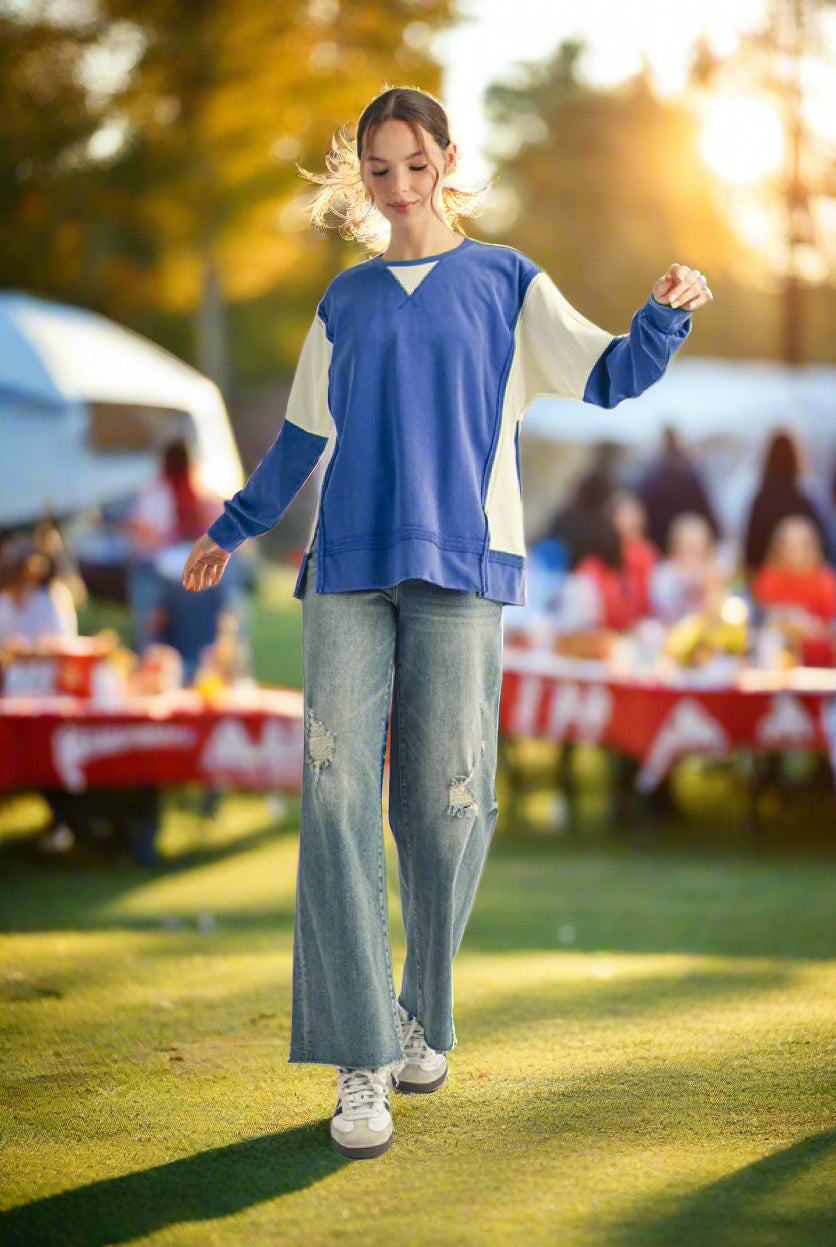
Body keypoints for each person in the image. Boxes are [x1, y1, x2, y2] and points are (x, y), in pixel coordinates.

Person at [181, 85, 714, 1160]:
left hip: (465, 570)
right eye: (377, 169)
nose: (397, 185)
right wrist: (233, 525)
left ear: (444, 159)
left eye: (412, 163)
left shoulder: (504, 281)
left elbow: (608, 374)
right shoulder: (344, 301)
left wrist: (664, 313)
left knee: (449, 801)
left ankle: (422, 1010)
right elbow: (297, 440)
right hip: (348, 571)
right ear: (362, 179)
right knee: (335, 793)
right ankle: (359, 1053)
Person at [743, 429, 829, 573]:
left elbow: (751, 551)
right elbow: (823, 547)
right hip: (801, 577)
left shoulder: (760, 501)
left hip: (765, 579)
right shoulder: (804, 500)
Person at [635, 425, 720, 552]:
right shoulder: (688, 472)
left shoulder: (654, 475)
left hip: (664, 541)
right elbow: (705, 507)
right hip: (688, 538)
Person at [648, 512, 726, 625]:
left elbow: (720, 608)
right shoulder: (663, 573)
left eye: (698, 544)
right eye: (689, 544)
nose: (694, 550)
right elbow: (661, 607)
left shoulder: (713, 571)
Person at [607, 490, 658, 620]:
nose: (632, 518)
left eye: (634, 513)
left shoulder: (647, 551)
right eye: (626, 514)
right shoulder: (611, 554)